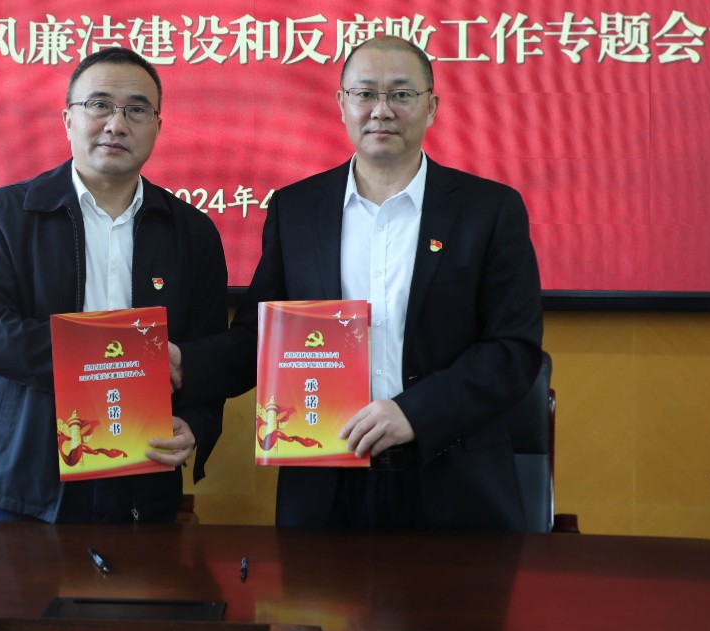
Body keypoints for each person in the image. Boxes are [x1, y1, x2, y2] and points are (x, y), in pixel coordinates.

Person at [179, 35, 543, 529]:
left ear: (431, 107)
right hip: (325, 483)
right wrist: (185, 365)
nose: (382, 110)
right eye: (365, 93)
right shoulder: (297, 209)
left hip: (453, 479)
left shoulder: (489, 210)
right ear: (342, 104)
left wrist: (414, 412)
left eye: (401, 94)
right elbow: (258, 339)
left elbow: (513, 349)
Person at [0, 47, 228, 523]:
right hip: (28, 480)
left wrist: (196, 424)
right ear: (68, 120)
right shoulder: (4, 215)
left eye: (136, 110)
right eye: (99, 105)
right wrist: (117, 357)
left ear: (157, 126)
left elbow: (210, 350)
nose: (116, 124)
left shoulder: (191, 231)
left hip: (145, 473)